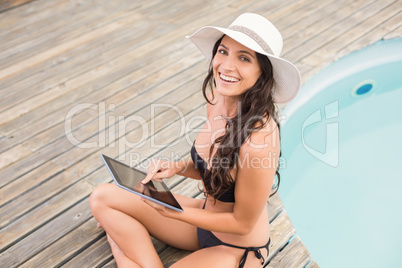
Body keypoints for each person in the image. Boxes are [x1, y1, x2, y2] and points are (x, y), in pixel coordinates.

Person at [89, 13, 301, 268]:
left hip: (236, 248)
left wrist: (177, 214)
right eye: (223, 51)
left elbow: (242, 224)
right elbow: (216, 168)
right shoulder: (217, 99)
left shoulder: (260, 140)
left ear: (262, 73)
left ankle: (120, 240)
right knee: (102, 197)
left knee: (116, 222)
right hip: (202, 220)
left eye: (244, 58)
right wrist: (178, 168)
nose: (226, 66)